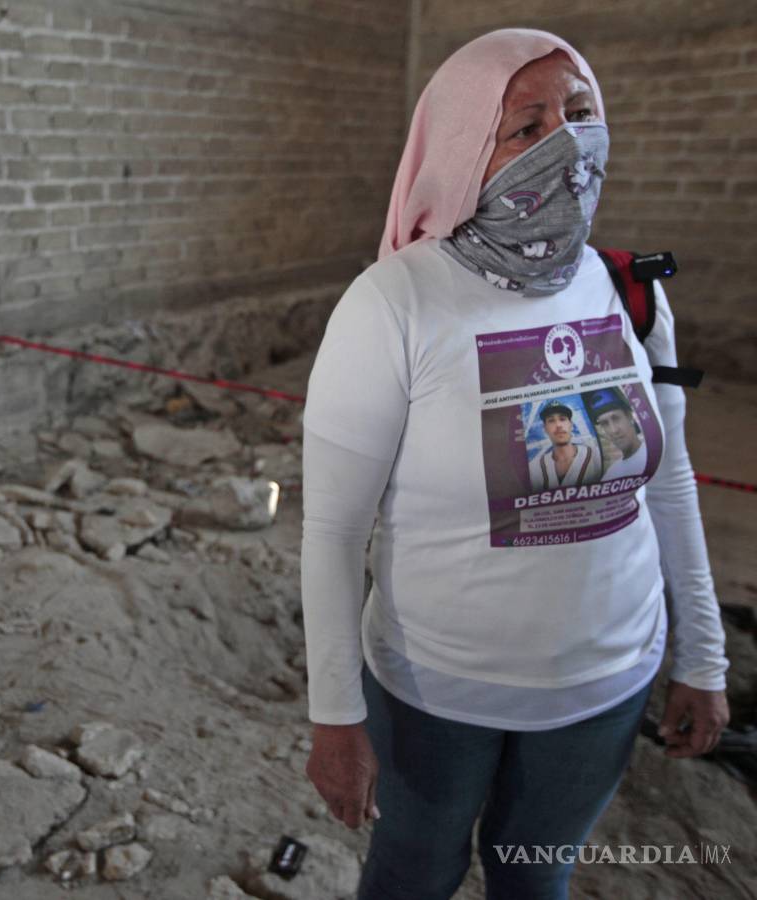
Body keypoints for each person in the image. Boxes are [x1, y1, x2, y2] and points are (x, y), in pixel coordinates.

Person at [300, 29, 730, 900]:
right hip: (435, 694)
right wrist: (336, 717)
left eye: (579, 116)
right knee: (414, 870)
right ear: (462, 152)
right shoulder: (396, 301)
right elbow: (336, 531)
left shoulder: (631, 292)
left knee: (537, 875)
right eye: (526, 129)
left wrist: (705, 656)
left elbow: (670, 483)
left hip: (607, 685)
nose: (566, 146)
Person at [528, 400, 601, 491]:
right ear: (545, 428)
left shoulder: (596, 456)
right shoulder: (534, 468)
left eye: (562, 419)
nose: (558, 425)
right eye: (551, 421)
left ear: (571, 425)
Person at [589, 389, 647, 480]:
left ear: (629, 416)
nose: (613, 430)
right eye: (605, 423)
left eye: (616, 418)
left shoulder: (653, 455)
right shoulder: (611, 474)